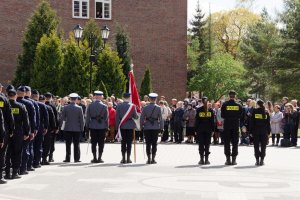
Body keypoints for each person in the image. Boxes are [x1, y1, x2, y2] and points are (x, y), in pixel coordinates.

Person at [5, 89, 30, 179]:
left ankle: (7, 173)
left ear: (7, 95)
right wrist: (27, 132)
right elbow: (26, 121)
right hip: (18, 132)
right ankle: (15, 172)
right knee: (17, 152)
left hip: (6, 132)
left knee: (7, 153)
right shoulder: (21, 106)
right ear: (16, 96)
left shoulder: (4, 105)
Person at [16, 86, 36, 175]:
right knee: (25, 149)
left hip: (13, 131)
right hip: (25, 131)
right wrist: (32, 131)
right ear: (25, 93)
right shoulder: (29, 103)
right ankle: (23, 169)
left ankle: (15, 169)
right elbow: (32, 119)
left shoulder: (12, 102)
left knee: (13, 150)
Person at [140, 93, 163, 164]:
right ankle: (153, 158)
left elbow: (142, 118)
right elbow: (161, 119)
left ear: (149, 99)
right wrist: (161, 127)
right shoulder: (158, 108)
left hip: (147, 127)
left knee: (148, 143)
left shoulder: (145, 107)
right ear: (155, 99)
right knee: (154, 143)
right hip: (155, 127)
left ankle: (149, 159)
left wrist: (141, 126)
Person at [86, 91, 108, 163]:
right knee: (101, 143)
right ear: (101, 97)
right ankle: (99, 158)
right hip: (102, 126)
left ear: (95, 96)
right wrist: (106, 127)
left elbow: (87, 117)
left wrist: (87, 126)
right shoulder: (104, 106)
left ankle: (94, 157)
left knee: (94, 142)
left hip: (93, 125)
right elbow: (106, 118)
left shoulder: (90, 105)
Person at [61, 93, 84, 163]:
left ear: (70, 99)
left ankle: (67, 158)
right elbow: (81, 120)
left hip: (67, 128)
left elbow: (62, 118)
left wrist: (61, 127)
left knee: (68, 144)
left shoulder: (65, 107)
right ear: (76, 99)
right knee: (76, 144)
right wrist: (82, 128)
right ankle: (76, 159)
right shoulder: (79, 108)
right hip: (77, 128)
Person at [221, 90, 243, 165]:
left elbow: (222, 115)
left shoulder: (225, 104)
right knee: (235, 142)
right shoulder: (239, 105)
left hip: (227, 125)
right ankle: (234, 160)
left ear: (229, 96)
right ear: (235, 96)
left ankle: (228, 159)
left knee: (227, 142)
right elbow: (241, 115)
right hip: (235, 125)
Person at [115, 93, 138, 164]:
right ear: (129, 98)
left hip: (122, 126)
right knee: (129, 143)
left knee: (123, 143)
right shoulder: (132, 106)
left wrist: (117, 127)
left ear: (123, 97)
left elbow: (117, 118)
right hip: (130, 126)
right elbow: (136, 117)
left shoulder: (119, 106)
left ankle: (123, 158)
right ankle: (128, 158)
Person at [31, 90, 49, 168]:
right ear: (37, 96)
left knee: (31, 145)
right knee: (38, 145)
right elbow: (46, 117)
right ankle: (36, 162)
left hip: (30, 127)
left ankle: (30, 162)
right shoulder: (42, 105)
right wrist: (46, 127)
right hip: (40, 127)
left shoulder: (29, 103)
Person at [250, 100, 271, 166]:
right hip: (264, 131)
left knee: (256, 146)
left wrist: (251, 131)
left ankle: (257, 160)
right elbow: (268, 124)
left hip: (256, 131)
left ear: (258, 104)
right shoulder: (266, 112)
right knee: (263, 146)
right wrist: (268, 132)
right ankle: (262, 160)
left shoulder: (254, 111)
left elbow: (252, 123)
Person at [195, 97, 214, 165]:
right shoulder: (211, 110)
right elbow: (212, 121)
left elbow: (197, 121)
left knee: (201, 144)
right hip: (208, 129)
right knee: (207, 144)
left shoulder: (199, 110)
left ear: (202, 102)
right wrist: (213, 130)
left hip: (200, 129)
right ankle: (206, 160)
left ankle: (201, 159)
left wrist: (196, 130)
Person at [39, 95, 56, 165]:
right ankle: (44, 159)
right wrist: (54, 127)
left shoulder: (35, 105)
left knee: (39, 144)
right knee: (46, 144)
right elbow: (52, 119)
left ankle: (37, 159)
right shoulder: (49, 107)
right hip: (47, 129)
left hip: (39, 127)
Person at [45, 92, 59, 162]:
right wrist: (56, 127)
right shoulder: (53, 106)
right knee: (51, 143)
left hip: (44, 127)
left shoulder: (42, 104)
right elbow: (55, 118)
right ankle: (50, 157)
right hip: (51, 128)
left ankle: (43, 157)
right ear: (51, 98)